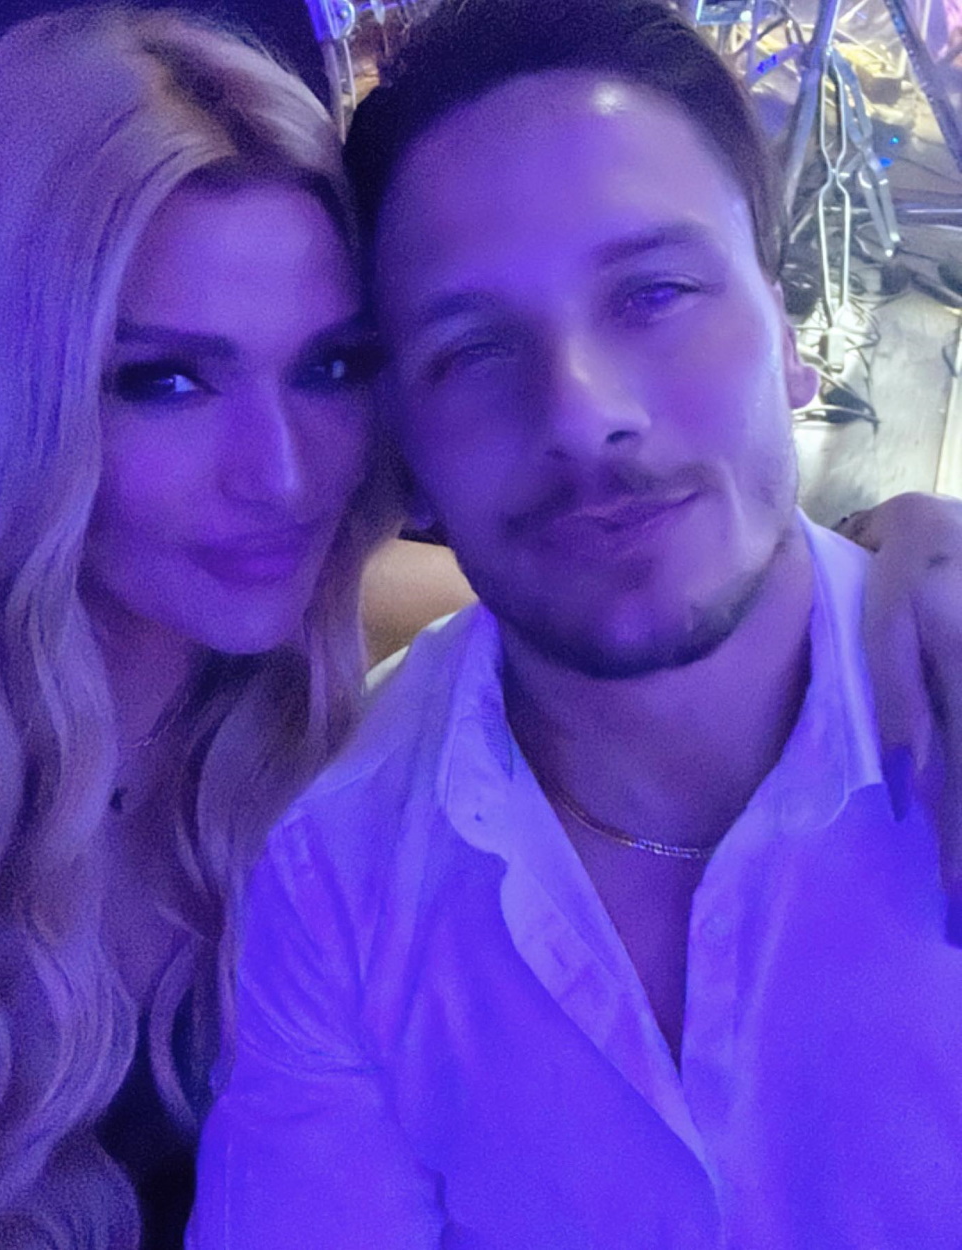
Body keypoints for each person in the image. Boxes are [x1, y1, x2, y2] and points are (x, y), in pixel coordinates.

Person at [189, 0, 962, 1245]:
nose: (582, 411)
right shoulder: (337, 873)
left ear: (785, 335)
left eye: (653, 292)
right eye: (473, 349)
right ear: (406, 457)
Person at [0, 8, 423, 1245]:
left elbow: (604, 620)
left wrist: (886, 557)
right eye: (166, 379)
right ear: (12, 392)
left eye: (330, 367)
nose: (282, 475)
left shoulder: (333, 687)